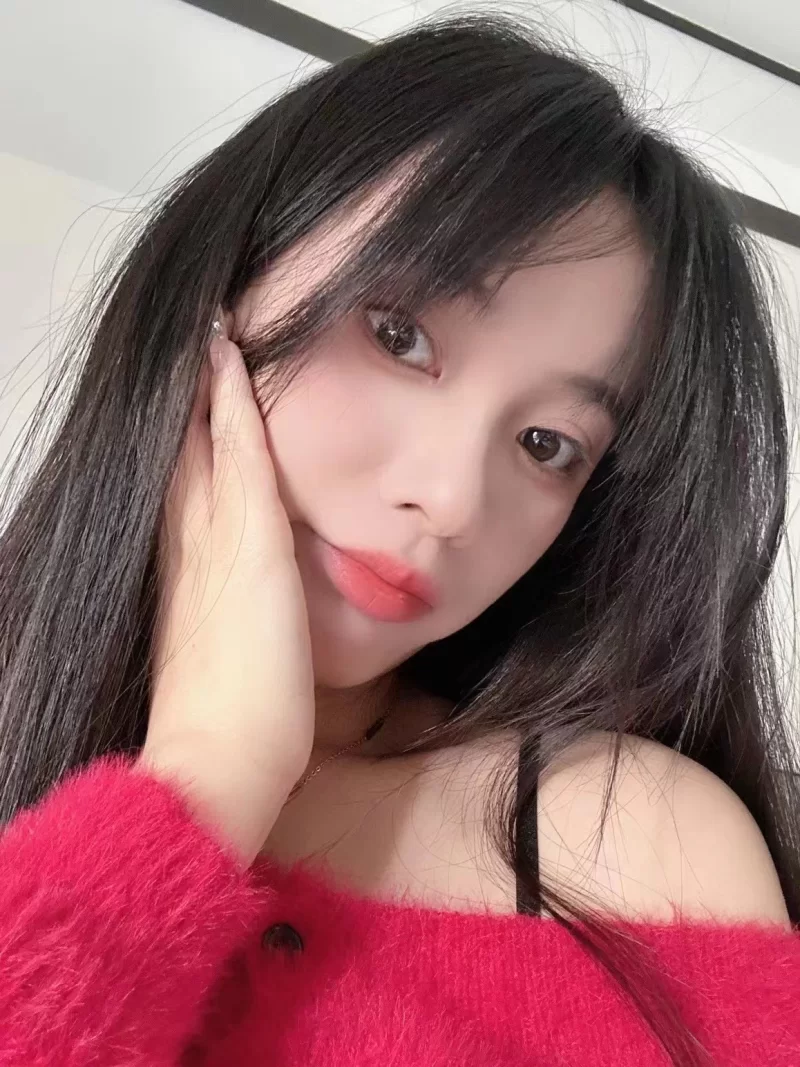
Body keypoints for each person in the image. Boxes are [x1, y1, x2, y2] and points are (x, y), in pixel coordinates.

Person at [0, 12, 797, 1066]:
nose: (451, 498)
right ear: (219, 282)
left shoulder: (634, 849)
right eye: (398, 336)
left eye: (548, 443)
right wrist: (203, 781)